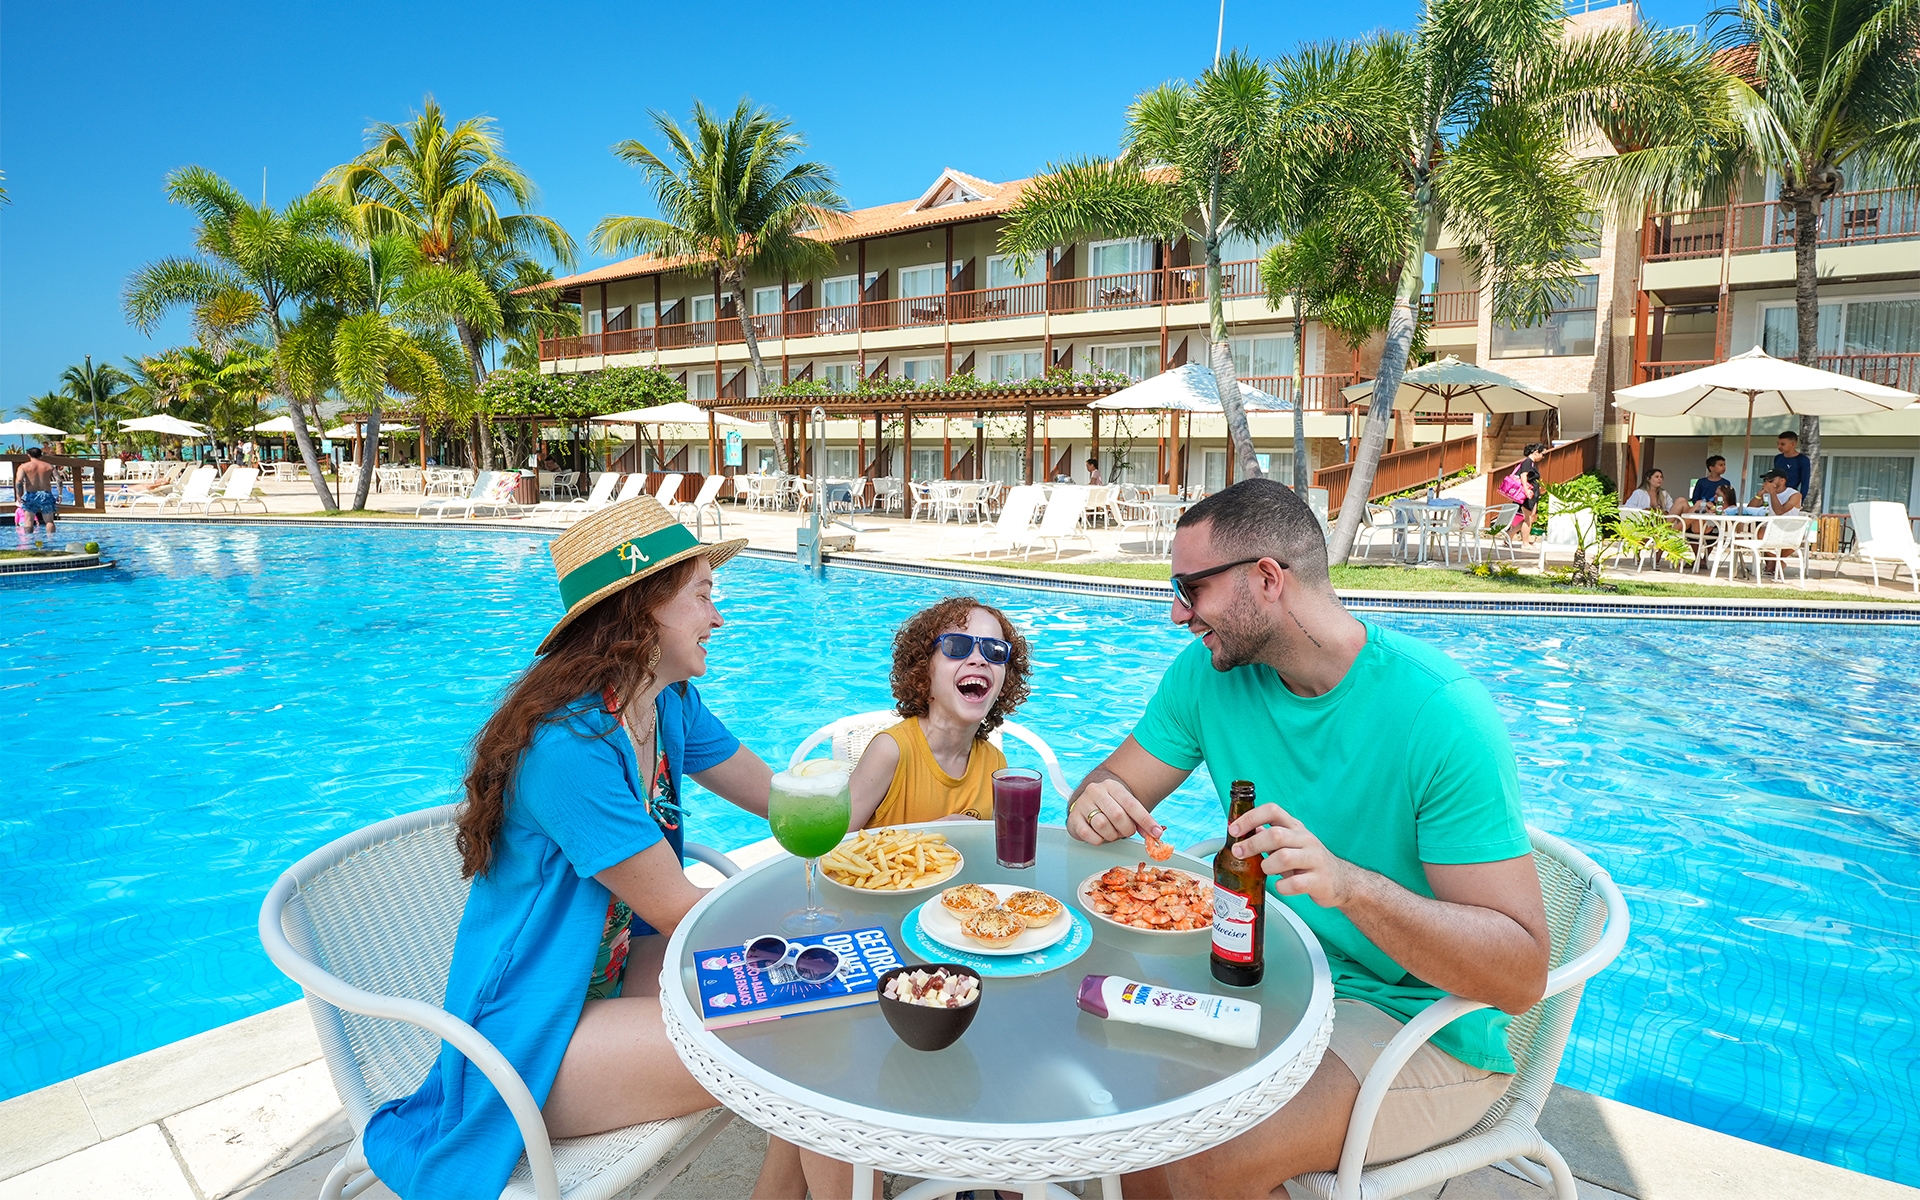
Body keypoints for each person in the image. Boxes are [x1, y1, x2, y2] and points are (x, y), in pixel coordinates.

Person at [1068, 479, 1548, 1200]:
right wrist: (1097, 800)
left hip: (1415, 1021)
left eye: (1191, 589)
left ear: (1267, 579)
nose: (1176, 614)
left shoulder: (1439, 712)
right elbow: (1110, 784)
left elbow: (1520, 975)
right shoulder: (1208, 678)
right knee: (1136, 1117)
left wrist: (1352, 887)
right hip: (1267, 979)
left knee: (1203, 1156)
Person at [360, 497, 848, 1200]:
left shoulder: (665, 701)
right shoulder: (569, 747)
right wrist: (822, 928)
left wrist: (897, 766)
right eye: (703, 595)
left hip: (608, 974)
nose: (717, 617)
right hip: (529, 1038)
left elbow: (781, 801)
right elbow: (680, 910)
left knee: (821, 996)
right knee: (804, 1041)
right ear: (642, 610)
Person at [847, 597, 1032, 829]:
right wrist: (935, 835)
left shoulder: (994, 763)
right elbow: (833, 846)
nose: (979, 660)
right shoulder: (891, 751)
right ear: (923, 670)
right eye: (957, 647)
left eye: (994, 651)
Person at [15, 448, 59, 548]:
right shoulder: (49, 466)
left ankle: (28, 541)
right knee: (49, 521)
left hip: (31, 494)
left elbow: (19, 481)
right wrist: (60, 494)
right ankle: (51, 541)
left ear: (28, 455)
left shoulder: (24, 466)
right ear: (41, 455)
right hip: (46, 494)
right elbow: (58, 480)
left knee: (28, 520)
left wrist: (18, 495)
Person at [1505, 444, 1547, 546]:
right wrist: (1526, 490)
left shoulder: (1531, 463)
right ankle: (1525, 542)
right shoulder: (1528, 462)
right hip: (1528, 493)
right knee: (1528, 518)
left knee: (1532, 517)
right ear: (1536, 452)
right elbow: (1523, 475)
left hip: (1532, 493)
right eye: (1543, 454)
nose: (1543, 457)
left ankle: (1510, 534)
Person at [1773, 430, 1810, 497]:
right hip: (1776, 494)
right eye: (1778, 444)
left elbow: (1805, 482)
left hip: (1791, 494)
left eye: (1782, 444)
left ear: (1793, 444)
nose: (1779, 447)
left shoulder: (1802, 460)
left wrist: (1800, 500)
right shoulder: (1778, 458)